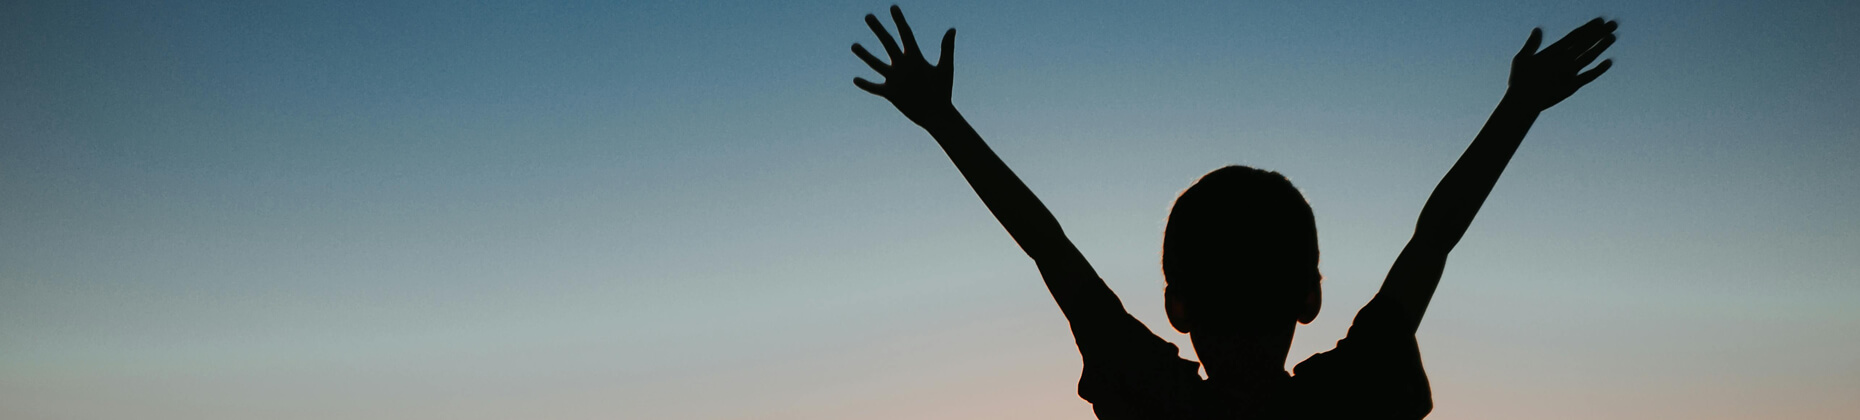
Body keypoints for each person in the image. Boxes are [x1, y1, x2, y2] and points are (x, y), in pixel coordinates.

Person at [851, 6, 1617, 419]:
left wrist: (943, 121)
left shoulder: (1154, 399)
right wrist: (1517, 110)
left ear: (1176, 305)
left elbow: (1048, 248)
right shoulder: (1347, 400)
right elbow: (1432, 242)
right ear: (1310, 297)